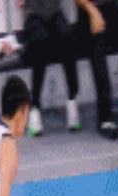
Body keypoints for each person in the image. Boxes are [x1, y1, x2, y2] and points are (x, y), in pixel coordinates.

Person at [76, 0, 118, 140]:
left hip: (112, 6)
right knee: (97, 43)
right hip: (90, 10)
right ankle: (105, 117)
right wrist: (92, 11)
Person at [21, 0, 81, 136]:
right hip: (33, 16)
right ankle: (34, 106)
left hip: (55, 13)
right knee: (40, 41)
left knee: (68, 36)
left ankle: (72, 100)